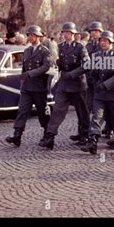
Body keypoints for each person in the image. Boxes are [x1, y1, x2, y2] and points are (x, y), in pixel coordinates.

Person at [39, 22, 90, 150]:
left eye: (68, 33)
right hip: (64, 83)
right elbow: (60, 62)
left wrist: (72, 74)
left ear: (73, 34)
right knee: (58, 110)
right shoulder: (60, 47)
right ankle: (50, 135)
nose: (65, 35)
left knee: (82, 111)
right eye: (64, 33)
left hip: (78, 83)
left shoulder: (80, 47)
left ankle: (85, 134)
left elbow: (86, 65)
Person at [5, 25, 51, 147]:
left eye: (32, 35)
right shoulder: (26, 51)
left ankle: (48, 135)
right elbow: (23, 69)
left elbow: (46, 67)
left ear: (38, 37)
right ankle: (17, 135)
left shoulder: (44, 51)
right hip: (27, 87)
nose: (30, 37)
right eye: (29, 35)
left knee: (42, 113)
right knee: (22, 111)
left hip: (39, 87)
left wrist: (30, 74)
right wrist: (22, 83)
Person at [81, 30, 114, 154]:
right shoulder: (96, 56)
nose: (103, 43)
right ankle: (93, 142)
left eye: (105, 41)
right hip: (99, 93)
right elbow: (91, 73)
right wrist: (94, 80)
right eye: (101, 40)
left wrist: (105, 85)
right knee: (97, 116)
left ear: (111, 42)